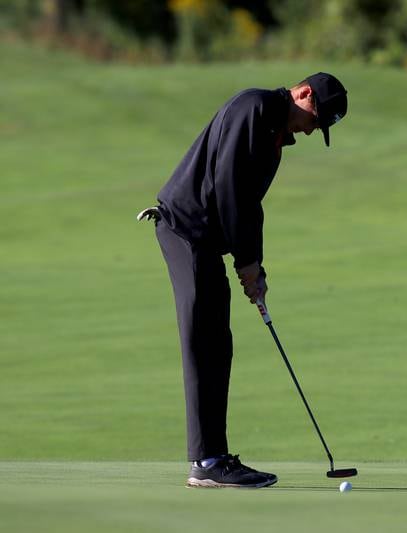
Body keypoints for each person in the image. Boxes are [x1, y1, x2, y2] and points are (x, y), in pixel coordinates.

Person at [137, 73, 348, 488]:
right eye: (315, 120)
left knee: (219, 344)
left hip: (204, 241)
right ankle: (206, 462)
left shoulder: (272, 132)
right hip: (186, 231)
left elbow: (250, 206)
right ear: (304, 93)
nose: (310, 130)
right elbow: (229, 187)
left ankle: (213, 457)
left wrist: (256, 268)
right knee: (204, 342)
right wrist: (246, 263)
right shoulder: (253, 108)